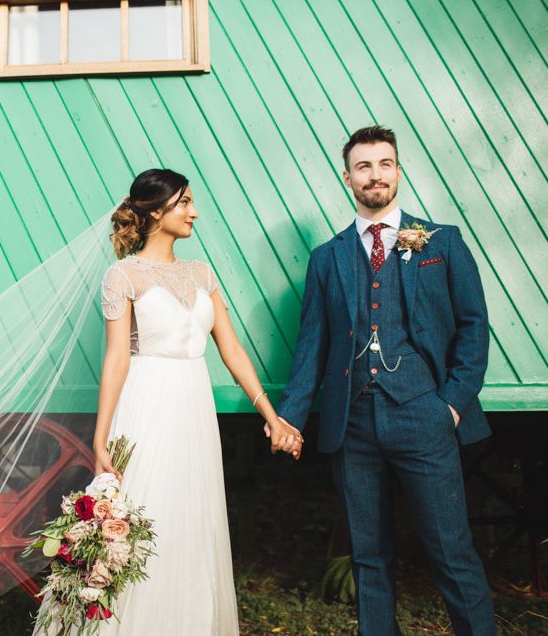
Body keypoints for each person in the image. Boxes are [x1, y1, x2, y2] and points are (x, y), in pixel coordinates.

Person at [277, 126, 496, 635]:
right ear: (348, 176)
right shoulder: (327, 258)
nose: (375, 175)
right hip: (353, 425)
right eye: (364, 166)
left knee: (452, 551)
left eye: (384, 164)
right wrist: (289, 414)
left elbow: (473, 325)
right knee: (369, 556)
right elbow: (312, 347)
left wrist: (452, 405)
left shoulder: (442, 241)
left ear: (397, 170)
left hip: (425, 415)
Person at [90, 169, 302, 635]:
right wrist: (100, 437)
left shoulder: (201, 273)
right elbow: (116, 359)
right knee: (147, 513)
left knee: (193, 517)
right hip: (147, 403)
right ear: (155, 210)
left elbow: (231, 350)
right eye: (184, 202)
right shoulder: (122, 275)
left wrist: (271, 416)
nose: (194, 212)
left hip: (194, 404)